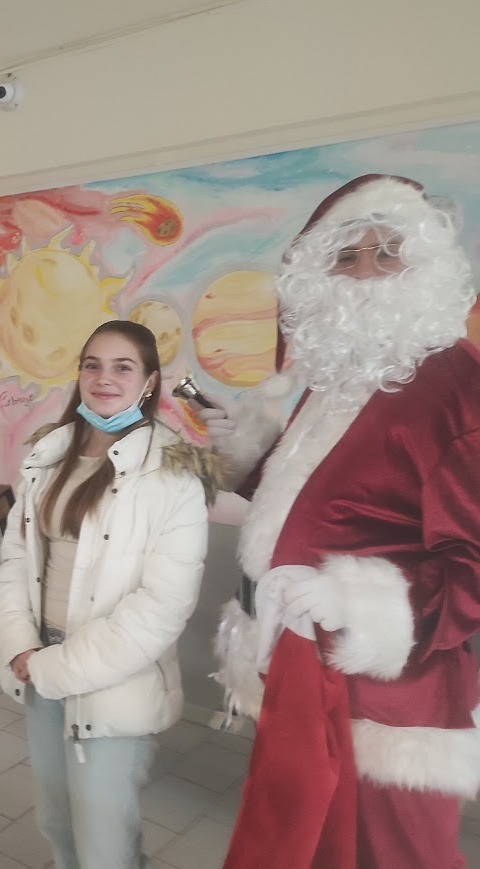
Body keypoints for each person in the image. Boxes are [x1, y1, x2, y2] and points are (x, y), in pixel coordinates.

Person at [208, 175, 480, 868]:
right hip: (298, 671)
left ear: (425, 264)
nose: (362, 271)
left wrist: (357, 600)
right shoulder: (336, 378)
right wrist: (250, 450)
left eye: (386, 251)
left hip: (388, 701)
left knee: (396, 857)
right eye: (345, 255)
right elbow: (326, 505)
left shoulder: (457, 386)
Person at [0, 320, 217, 869]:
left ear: (149, 381)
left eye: (122, 367)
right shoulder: (50, 454)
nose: (104, 378)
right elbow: (17, 560)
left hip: (113, 677)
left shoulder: (173, 471)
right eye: (92, 365)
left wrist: (53, 668)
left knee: (103, 842)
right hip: (36, 660)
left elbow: (162, 607)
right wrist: (21, 646)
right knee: (56, 819)